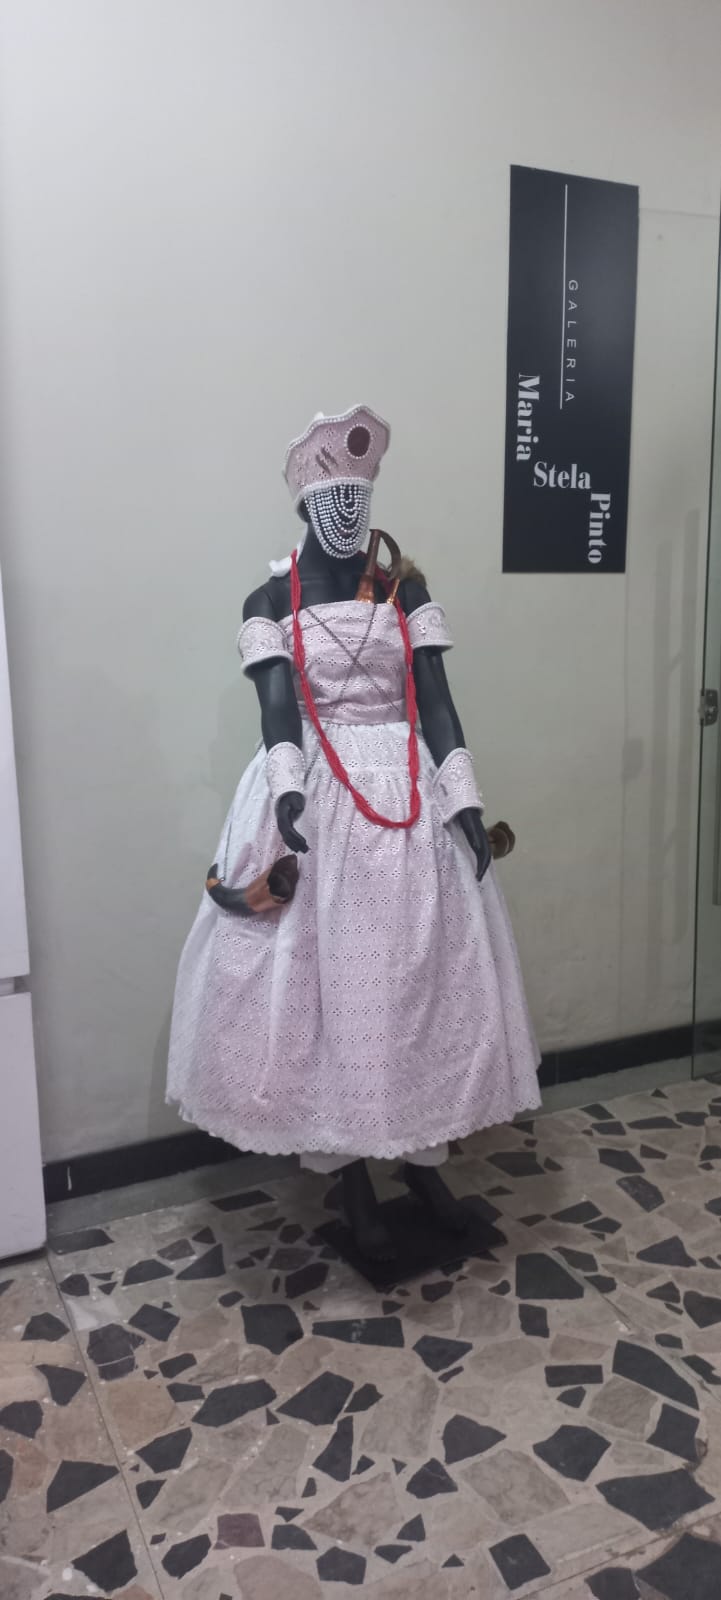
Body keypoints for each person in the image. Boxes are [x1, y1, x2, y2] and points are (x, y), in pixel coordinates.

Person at [167, 406, 540, 1259]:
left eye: (358, 499)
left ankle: (422, 1160)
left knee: (416, 986)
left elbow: (436, 701)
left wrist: (463, 800)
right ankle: (351, 1176)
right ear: (304, 504)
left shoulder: (405, 589)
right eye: (332, 499)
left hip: (407, 799)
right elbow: (277, 710)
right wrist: (287, 797)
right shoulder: (269, 601)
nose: (347, 515)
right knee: (328, 991)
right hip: (321, 802)